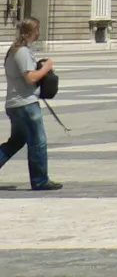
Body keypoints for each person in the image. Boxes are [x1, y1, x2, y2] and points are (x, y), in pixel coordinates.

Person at [2, 18, 60, 190]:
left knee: (16, 141)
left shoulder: (16, 50)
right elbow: (30, 78)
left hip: (16, 103)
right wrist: (46, 67)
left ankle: (40, 179)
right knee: (38, 142)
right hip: (25, 104)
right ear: (33, 31)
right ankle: (40, 180)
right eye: (38, 29)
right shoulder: (22, 52)